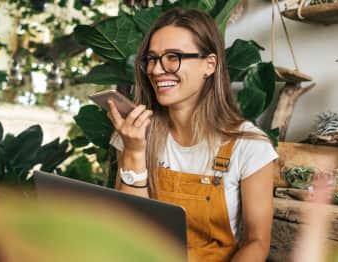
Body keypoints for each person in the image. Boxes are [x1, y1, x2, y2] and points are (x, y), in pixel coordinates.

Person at [106, 8, 278, 262]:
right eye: (152, 59)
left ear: (209, 65)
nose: (156, 70)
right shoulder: (135, 132)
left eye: (172, 57)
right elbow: (133, 228)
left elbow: (257, 242)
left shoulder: (249, 146)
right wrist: (133, 150)